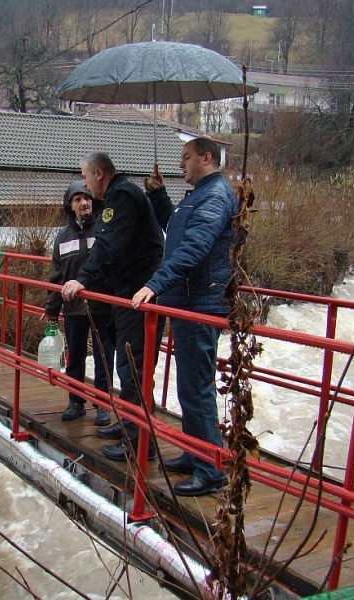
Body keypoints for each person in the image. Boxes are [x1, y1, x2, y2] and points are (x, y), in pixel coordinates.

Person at [132, 138, 236, 497]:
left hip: (200, 302)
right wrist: (160, 197)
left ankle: (210, 469)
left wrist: (155, 284)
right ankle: (196, 453)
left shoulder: (215, 195)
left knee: (196, 386)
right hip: (189, 299)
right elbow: (176, 233)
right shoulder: (198, 196)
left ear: (206, 158)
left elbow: (195, 247)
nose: (181, 165)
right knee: (189, 385)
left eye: (186, 158)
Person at [62, 152, 165, 462]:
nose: (84, 183)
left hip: (138, 294)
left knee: (132, 367)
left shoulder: (120, 196)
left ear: (98, 173)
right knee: (128, 365)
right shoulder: (121, 196)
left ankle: (138, 443)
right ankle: (130, 427)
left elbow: (107, 244)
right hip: (129, 290)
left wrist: (83, 279)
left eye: (85, 177)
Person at [43, 181, 114, 427]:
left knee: (104, 357)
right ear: (70, 205)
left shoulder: (105, 230)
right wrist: (51, 308)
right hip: (73, 307)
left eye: (87, 198)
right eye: (77, 199)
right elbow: (57, 275)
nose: (84, 203)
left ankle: (103, 405)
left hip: (103, 306)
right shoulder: (62, 237)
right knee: (75, 357)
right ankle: (76, 401)